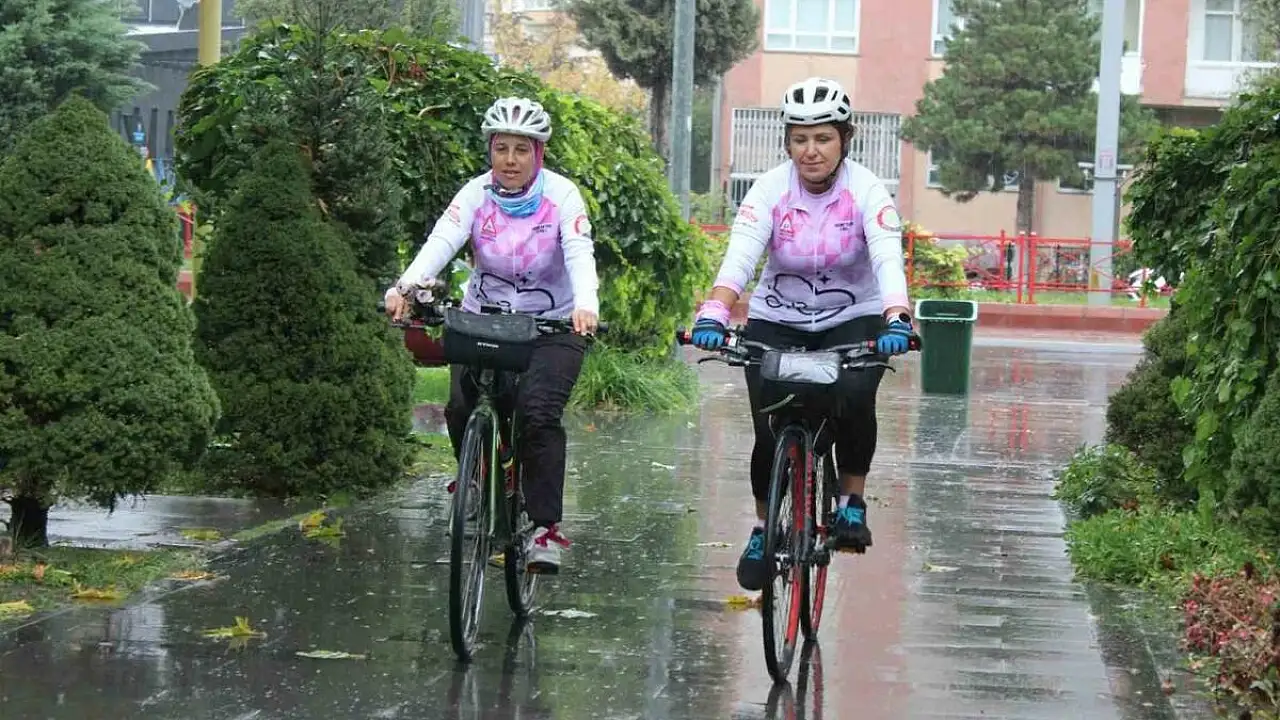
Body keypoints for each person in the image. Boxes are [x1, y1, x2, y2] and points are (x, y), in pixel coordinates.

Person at [689, 77, 914, 592]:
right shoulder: (770, 190)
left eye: (823, 138)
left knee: (855, 396)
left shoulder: (866, 191)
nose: (811, 150)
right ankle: (763, 528)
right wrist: (714, 313)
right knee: (768, 427)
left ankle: (851, 501)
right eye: (800, 139)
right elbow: (741, 256)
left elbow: (886, 257)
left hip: (853, 316)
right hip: (778, 317)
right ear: (787, 143)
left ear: (845, 140)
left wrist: (897, 317)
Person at [384, 96, 600, 574]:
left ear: (538, 153)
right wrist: (405, 286)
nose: (510, 160)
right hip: (484, 316)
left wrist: (586, 303)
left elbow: (579, 250)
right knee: (461, 404)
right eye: (501, 149)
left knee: (538, 414)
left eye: (521, 150)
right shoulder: (475, 194)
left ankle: (544, 527)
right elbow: (442, 240)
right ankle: (475, 478)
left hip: (552, 324)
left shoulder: (562, 195)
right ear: (490, 151)